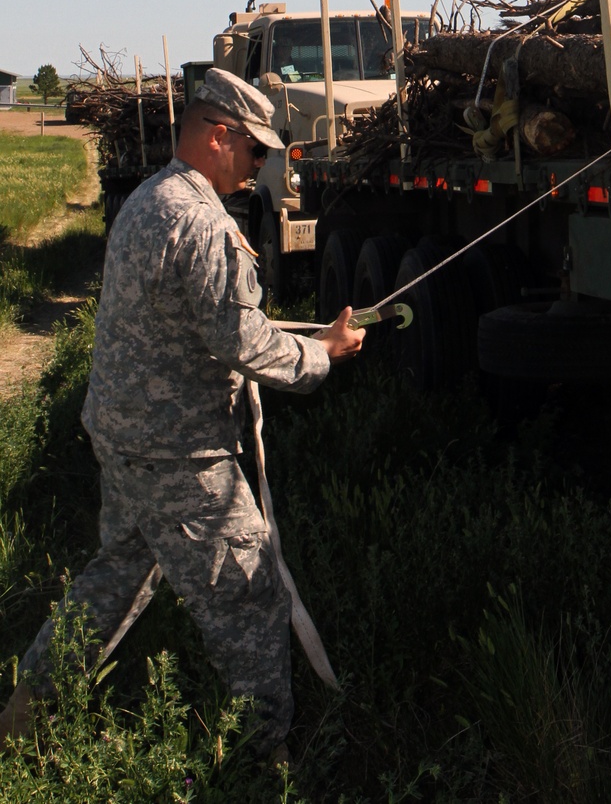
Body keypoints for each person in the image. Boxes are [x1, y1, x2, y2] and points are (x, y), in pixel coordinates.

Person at [0, 68, 364, 756]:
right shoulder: (202, 221)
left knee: (114, 579)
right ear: (217, 136)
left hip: (123, 432)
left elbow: (192, 325)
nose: (260, 166)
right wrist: (324, 355)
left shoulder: (148, 199)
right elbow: (239, 340)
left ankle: (22, 721)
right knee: (250, 594)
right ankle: (263, 758)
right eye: (256, 151)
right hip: (181, 453)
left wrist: (295, 335)